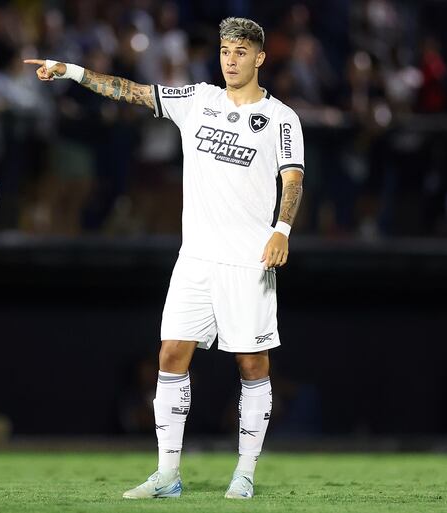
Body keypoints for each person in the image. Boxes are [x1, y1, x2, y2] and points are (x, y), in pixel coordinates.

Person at [25, 16, 304, 500]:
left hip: (248, 260)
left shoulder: (281, 117)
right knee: (171, 356)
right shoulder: (198, 100)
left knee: (252, 365)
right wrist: (70, 70)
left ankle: (244, 474)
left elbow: (293, 178)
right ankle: (168, 475)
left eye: (241, 51)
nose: (231, 59)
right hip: (194, 258)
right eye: (225, 51)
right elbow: (132, 92)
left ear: (259, 58)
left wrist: (281, 230)